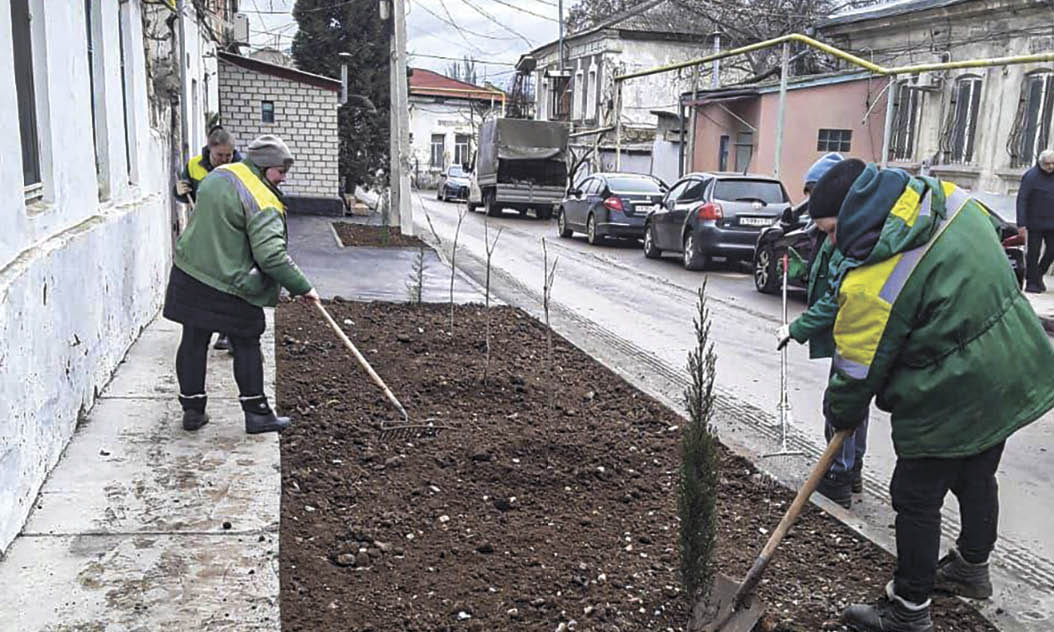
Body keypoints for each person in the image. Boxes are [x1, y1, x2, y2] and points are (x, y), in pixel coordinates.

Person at [804, 159, 1054, 632]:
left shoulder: (872, 279)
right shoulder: (943, 198)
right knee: (977, 472)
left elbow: (855, 373)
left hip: (951, 387)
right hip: (1014, 365)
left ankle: (908, 609)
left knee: (914, 496)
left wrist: (841, 416)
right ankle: (971, 568)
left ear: (857, 210)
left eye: (832, 231)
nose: (832, 244)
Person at [163, 134, 320, 434]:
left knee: (194, 340)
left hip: (189, 271)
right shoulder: (261, 199)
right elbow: (271, 256)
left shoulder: (222, 174)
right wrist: (303, 286)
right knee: (246, 340)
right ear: (263, 167)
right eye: (280, 171)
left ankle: (192, 411)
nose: (283, 178)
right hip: (228, 282)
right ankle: (258, 414)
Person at [775, 153, 869, 510]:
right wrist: (798, 269)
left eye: (817, 191)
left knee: (842, 403)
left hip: (851, 333)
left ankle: (839, 475)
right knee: (851, 402)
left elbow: (835, 297)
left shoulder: (850, 237)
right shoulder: (832, 232)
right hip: (845, 332)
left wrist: (797, 328)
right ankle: (849, 469)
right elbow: (821, 278)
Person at [175, 125, 243, 351]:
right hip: (202, 231)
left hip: (230, 231)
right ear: (209, 150)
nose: (224, 160)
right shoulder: (194, 166)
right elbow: (184, 195)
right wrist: (179, 191)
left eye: (228, 155)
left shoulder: (241, 167)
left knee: (228, 282)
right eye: (219, 155)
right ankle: (206, 328)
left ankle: (227, 333)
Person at [1016, 148, 1054, 293]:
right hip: (1035, 222)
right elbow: (1022, 200)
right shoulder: (1031, 176)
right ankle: (1032, 283)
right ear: (1041, 163)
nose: (1051, 167)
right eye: (1048, 164)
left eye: (1053, 164)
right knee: (1033, 253)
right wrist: (1021, 224)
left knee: (1052, 250)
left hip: (1052, 222)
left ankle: (1038, 275)